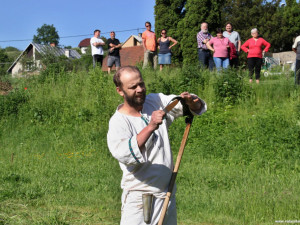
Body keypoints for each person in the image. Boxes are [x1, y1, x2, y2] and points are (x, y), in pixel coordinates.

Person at [107, 66, 207, 225]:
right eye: (133, 87)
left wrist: (190, 102)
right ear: (120, 91)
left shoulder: (155, 101)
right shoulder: (119, 122)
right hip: (140, 199)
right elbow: (125, 154)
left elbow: (191, 107)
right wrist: (150, 126)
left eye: (141, 84)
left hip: (167, 193)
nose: (140, 89)